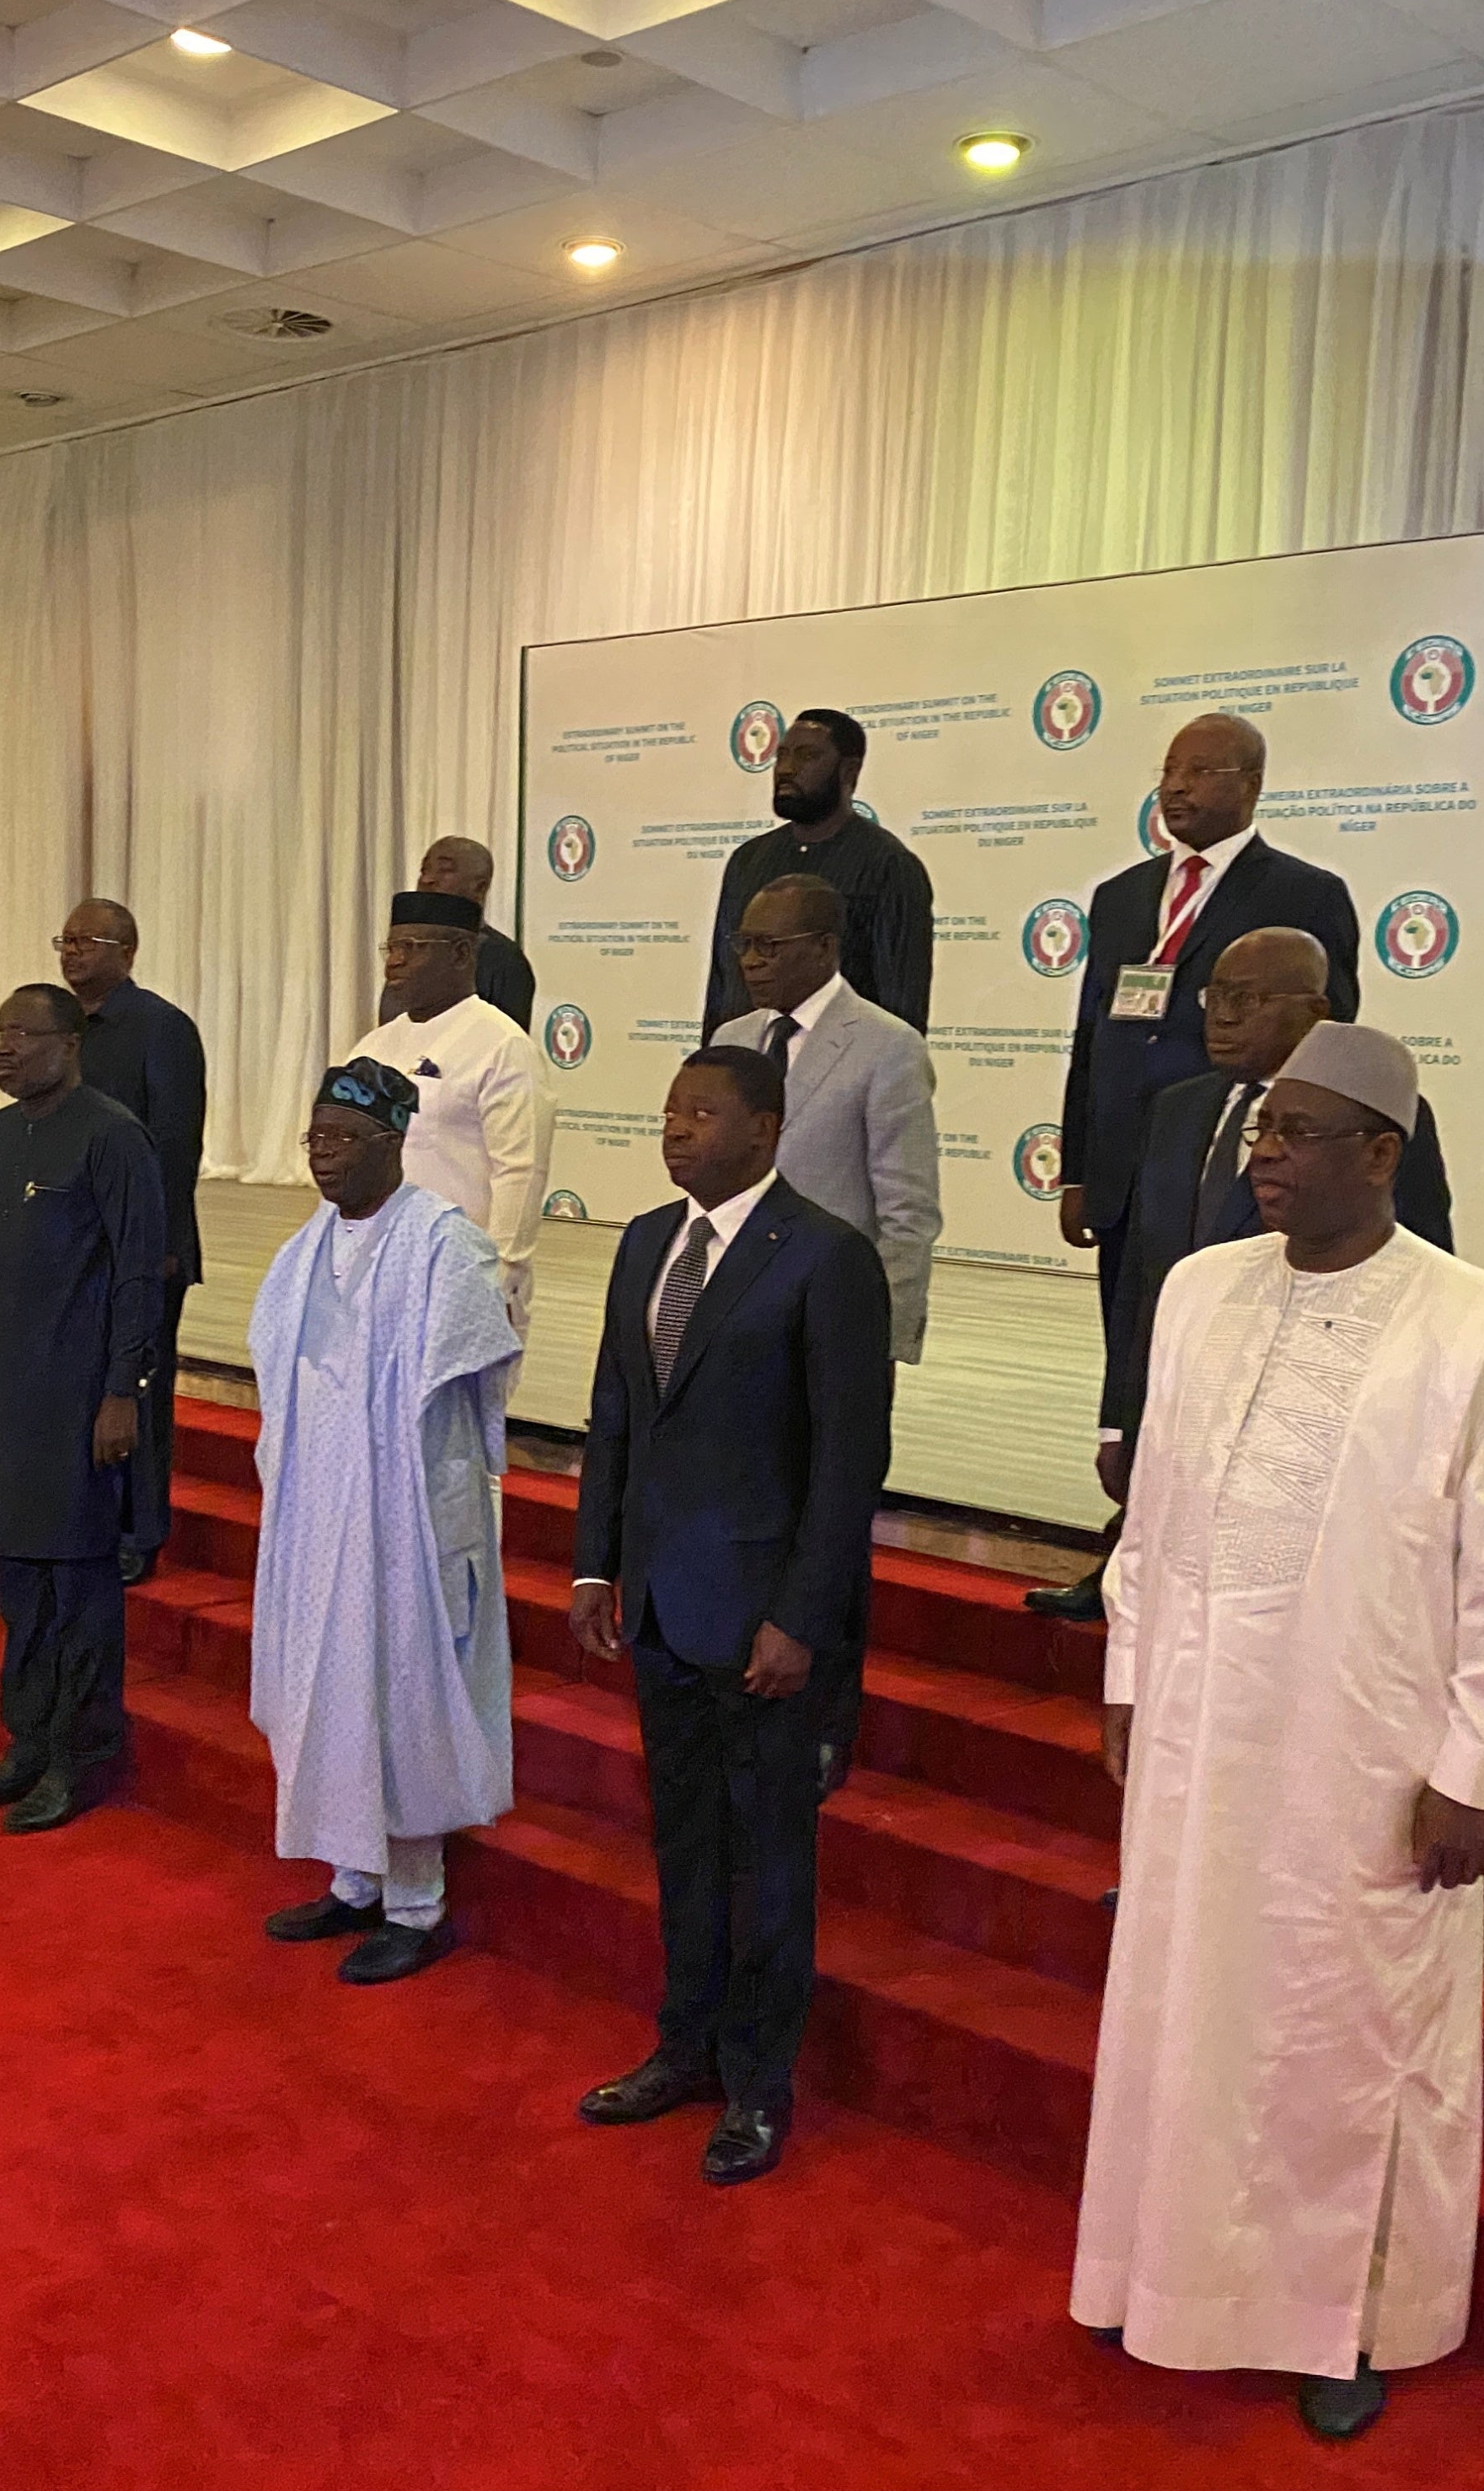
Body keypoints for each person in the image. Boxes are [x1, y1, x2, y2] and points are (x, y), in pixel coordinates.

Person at [1073, 1021, 1484, 2442]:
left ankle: (1351, 2318)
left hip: (1370, 1748)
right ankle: (1164, 2275)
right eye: (1261, 1134)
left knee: (1344, 2030)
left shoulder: (1476, 1322)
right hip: (1202, 1729)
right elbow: (1154, 1513)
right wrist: (1129, 1668)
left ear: (1382, 1154)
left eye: (1294, 1134)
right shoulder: (1202, 1290)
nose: (1263, 1158)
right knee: (1190, 1999)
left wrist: (1479, 1767)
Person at [569, 1047, 892, 2187]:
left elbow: (850, 1463)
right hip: (658, 1606)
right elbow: (617, 1415)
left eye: (702, 1115)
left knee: (767, 1866)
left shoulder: (826, 1258)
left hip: (763, 1624)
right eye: (668, 1113)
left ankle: (759, 2085)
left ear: (766, 1128)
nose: (677, 1131)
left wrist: (801, 1615)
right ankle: (683, 2047)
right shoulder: (645, 1242)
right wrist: (595, 1565)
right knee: (686, 1848)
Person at [1037, 927, 1452, 1620]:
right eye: (1214, 995)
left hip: (1301, 1417)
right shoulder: (1178, 1108)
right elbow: (1142, 1280)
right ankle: (1123, 1572)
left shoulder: (1378, 1121)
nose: (1221, 1015)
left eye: (1248, 998)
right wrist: (1119, 1420)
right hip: (1180, 1403)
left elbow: (1422, 1263)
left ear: (1315, 1014)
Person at [247, 1058, 522, 1985]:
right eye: (314, 1138)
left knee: (398, 1687)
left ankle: (417, 1903)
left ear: (392, 1142)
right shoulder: (306, 1245)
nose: (324, 1157)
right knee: (324, 1684)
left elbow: (478, 1366)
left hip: (399, 1510)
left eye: (342, 1140)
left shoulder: (444, 1242)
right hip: (317, 1506)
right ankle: (353, 1878)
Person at [0, 984, 167, 1836]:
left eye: (21, 1035)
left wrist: (122, 1395)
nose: (3, 1049)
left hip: (80, 1405)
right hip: (9, 1401)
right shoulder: (0, 1136)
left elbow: (139, 1274)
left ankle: (81, 1756)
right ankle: (26, 1743)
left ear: (69, 1044)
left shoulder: (113, 1136)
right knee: (18, 1590)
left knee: (76, 1592)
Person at [1056, 715, 1358, 1327]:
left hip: (1228, 1169)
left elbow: (1326, 1045)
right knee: (1132, 1350)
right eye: (1168, 771)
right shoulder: (1119, 896)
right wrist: (1079, 1173)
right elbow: (1093, 1040)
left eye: (1199, 772)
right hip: (1122, 1174)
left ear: (1250, 784)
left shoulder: (1305, 894)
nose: (1175, 787)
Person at [707, 876, 940, 1364]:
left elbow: (908, 1214)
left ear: (824, 948)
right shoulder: (732, 1038)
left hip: (832, 1318)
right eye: (743, 944)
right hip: (729, 1309)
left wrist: (880, 1335)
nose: (750, 961)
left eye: (769, 946)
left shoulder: (889, 1047)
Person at [56, 898, 206, 1586]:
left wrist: (160, 1240)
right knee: (81, 1383)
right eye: (66, 939)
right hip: (72, 1243)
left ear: (128, 951)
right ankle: (84, 1512)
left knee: (138, 1388)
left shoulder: (161, 1028)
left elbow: (175, 1141)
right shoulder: (58, 1029)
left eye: (89, 940)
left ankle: (141, 1530)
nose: (72, 950)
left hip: (144, 1246)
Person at [346, 891, 552, 1337]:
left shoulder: (502, 1046)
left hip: (460, 1275)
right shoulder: (373, 1046)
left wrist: (499, 1274)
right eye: (391, 949)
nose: (394, 962)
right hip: (375, 1272)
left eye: (412, 948)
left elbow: (520, 1170)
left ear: (460, 954)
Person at [701, 710, 933, 1039]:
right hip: (748, 1068)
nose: (786, 769)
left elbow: (901, 1007)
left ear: (849, 770)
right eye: (782, 756)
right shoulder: (748, 861)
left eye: (807, 756)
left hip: (839, 1071)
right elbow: (724, 986)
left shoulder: (888, 865)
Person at [410, 837, 534, 1029]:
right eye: (424, 870)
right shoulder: (407, 951)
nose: (427, 880)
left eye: (445, 870)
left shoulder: (503, 960)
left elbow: (505, 1048)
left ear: (480, 887)